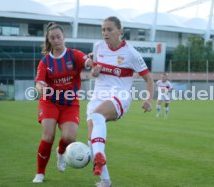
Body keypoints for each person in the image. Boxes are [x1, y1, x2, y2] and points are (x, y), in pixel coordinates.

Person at [86, 16, 154, 187]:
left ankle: (99, 158)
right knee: (92, 140)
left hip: (120, 96)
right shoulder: (98, 47)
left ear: (120, 32)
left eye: (109, 29)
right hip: (98, 96)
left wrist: (149, 99)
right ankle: (105, 180)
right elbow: (94, 73)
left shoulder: (131, 53)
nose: (105, 33)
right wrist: (94, 72)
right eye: (103, 30)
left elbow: (149, 79)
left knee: (97, 116)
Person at [32, 22, 91, 183]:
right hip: (49, 102)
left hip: (70, 103)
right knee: (48, 135)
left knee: (70, 137)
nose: (56, 40)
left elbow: (87, 62)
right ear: (49, 40)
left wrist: (93, 64)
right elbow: (39, 82)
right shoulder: (45, 62)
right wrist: (40, 88)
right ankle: (40, 173)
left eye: (59, 36)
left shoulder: (74, 55)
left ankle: (61, 152)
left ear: (64, 37)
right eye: (52, 38)